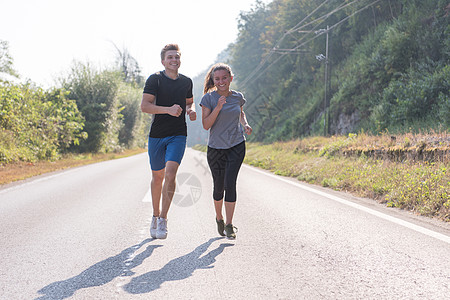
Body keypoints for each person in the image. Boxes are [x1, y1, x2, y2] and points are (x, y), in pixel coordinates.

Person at [141, 44, 196, 239]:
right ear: (163, 61)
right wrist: (168, 110)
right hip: (157, 135)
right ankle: (155, 216)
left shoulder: (186, 82)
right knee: (158, 177)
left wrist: (190, 110)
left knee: (171, 174)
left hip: (178, 134)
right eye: (170, 57)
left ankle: (163, 218)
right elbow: (145, 106)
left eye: (177, 57)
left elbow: (189, 101)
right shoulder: (155, 79)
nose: (174, 60)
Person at [200, 63, 252, 239]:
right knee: (219, 186)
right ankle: (219, 218)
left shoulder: (238, 97)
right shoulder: (208, 99)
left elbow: (240, 113)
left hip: (236, 145)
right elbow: (206, 125)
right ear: (213, 80)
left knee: (231, 183)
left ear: (231, 78)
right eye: (217, 79)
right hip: (216, 148)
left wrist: (245, 124)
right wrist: (218, 108)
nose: (221, 81)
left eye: (224, 78)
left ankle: (229, 224)